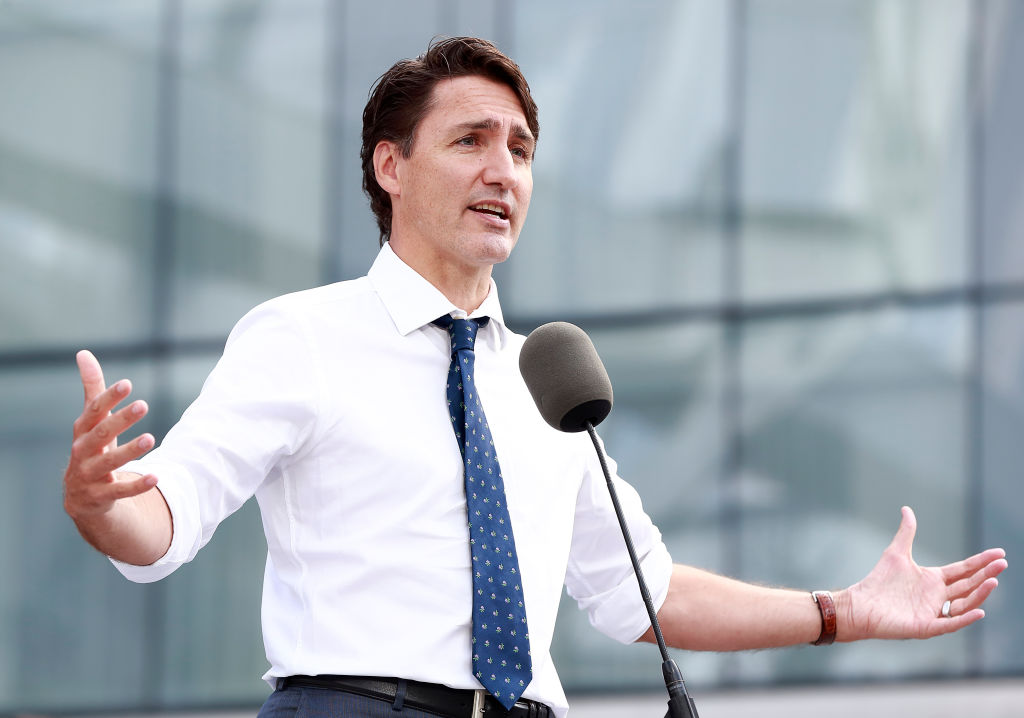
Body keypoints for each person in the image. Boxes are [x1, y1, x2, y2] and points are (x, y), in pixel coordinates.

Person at [63, 36, 1007, 718]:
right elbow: (164, 522)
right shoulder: (303, 335)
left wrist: (842, 612)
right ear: (390, 165)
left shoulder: (547, 377)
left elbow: (645, 593)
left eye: (520, 149)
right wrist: (103, 502)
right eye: (470, 140)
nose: (503, 170)